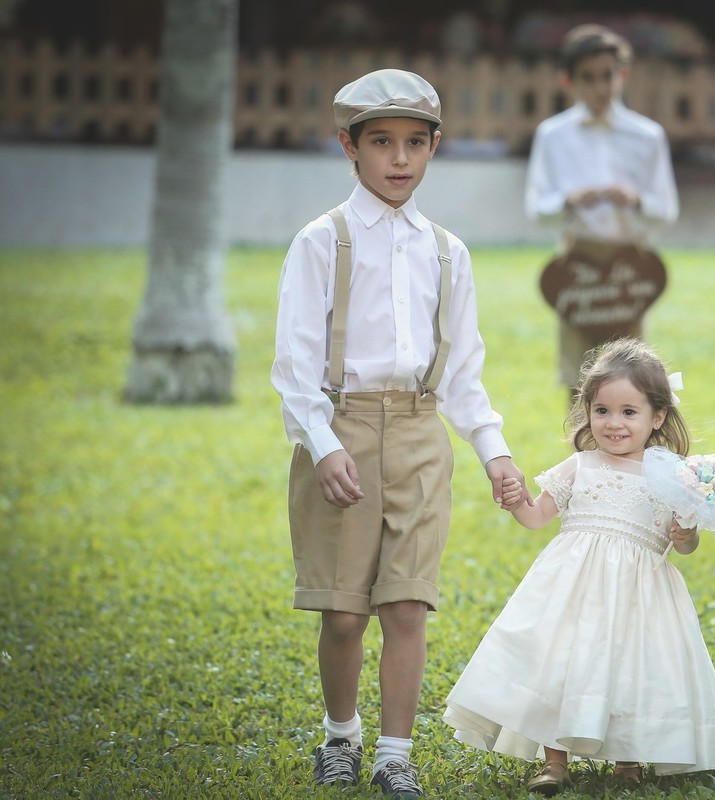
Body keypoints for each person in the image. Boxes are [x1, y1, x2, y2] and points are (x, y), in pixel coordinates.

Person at [271, 68, 530, 800]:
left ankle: (394, 755)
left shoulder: (448, 252)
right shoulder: (322, 241)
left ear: (435, 147)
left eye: (415, 143)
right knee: (346, 612)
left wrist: (495, 452)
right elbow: (293, 363)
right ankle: (341, 737)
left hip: (420, 435)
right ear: (348, 147)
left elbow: (463, 371)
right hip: (342, 428)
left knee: (407, 603)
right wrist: (321, 445)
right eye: (381, 143)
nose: (399, 160)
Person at [442, 338, 715, 796]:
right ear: (588, 412)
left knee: (631, 667)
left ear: (656, 417)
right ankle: (554, 761)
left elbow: (682, 542)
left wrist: (687, 535)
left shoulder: (672, 476)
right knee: (559, 663)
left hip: (639, 594)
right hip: (572, 588)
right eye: (602, 411)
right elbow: (536, 516)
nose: (614, 423)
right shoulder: (578, 466)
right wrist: (515, 499)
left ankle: (628, 758)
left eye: (628, 412)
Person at [525, 24, 680, 398]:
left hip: (630, 262)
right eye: (588, 78)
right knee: (578, 374)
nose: (601, 87)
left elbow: (666, 210)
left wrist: (636, 199)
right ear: (569, 80)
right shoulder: (553, 135)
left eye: (608, 76)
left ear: (623, 74)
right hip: (578, 260)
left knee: (631, 369)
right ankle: (582, 452)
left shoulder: (647, 136)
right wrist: (569, 200)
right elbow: (537, 207)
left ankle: (627, 451)